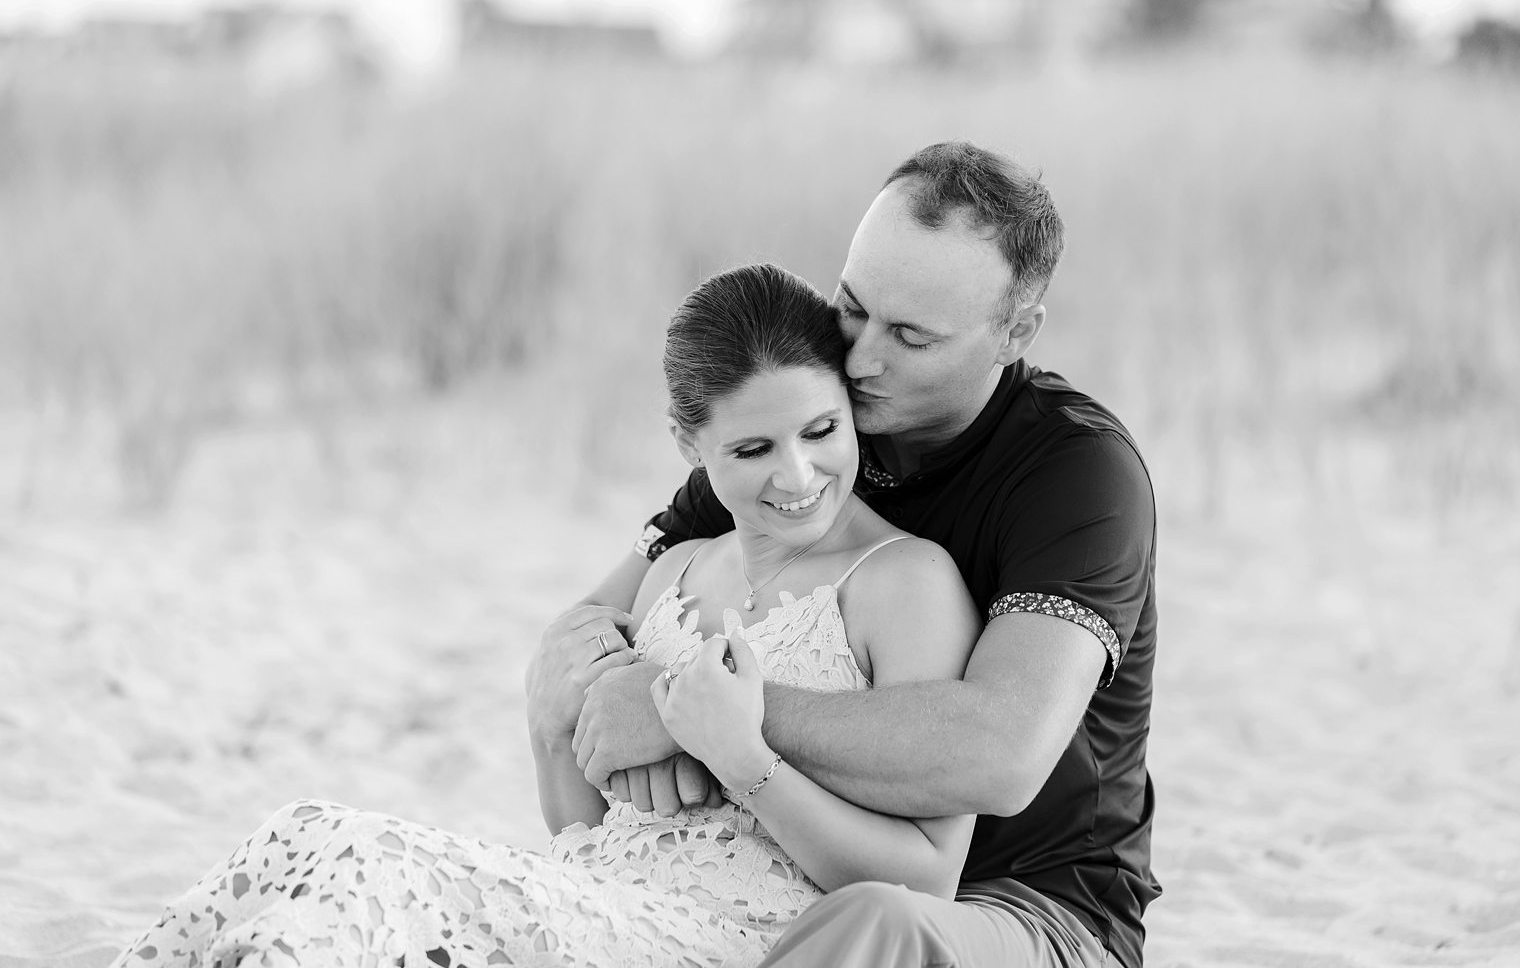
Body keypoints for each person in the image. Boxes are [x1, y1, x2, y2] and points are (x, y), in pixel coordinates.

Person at [108, 263, 985, 967]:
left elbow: (927, 879)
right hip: (590, 899)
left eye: (822, 429)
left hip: (740, 938)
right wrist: (549, 719)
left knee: (367, 863)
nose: (798, 475)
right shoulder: (673, 574)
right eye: (753, 448)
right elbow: (582, 825)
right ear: (690, 447)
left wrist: (742, 756)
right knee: (303, 841)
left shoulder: (903, 584)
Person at [569, 141, 1160, 968]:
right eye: (853, 308)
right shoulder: (807, 439)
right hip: (801, 884)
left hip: (1035, 912)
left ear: (1014, 332)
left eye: (910, 336)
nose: (859, 358)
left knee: (879, 924)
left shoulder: (1078, 474)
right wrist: (593, 673)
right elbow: (588, 621)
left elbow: (1002, 755)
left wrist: (689, 709)